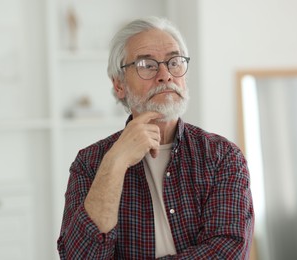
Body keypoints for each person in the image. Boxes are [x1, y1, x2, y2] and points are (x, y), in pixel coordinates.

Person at [57, 16, 254, 259]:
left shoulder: (222, 156)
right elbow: (80, 256)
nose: (165, 75)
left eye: (174, 62)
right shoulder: (89, 163)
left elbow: (228, 250)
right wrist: (115, 163)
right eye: (147, 65)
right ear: (119, 84)